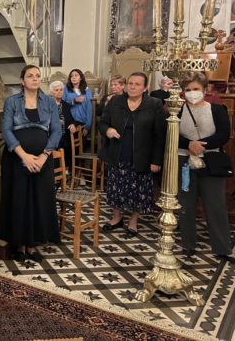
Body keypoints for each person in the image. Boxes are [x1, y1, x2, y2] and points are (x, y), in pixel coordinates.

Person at [0, 65, 61, 262]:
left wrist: (44, 156)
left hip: (43, 159)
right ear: (22, 80)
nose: (35, 79)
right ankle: (19, 245)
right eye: (30, 76)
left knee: (38, 199)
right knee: (19, 200)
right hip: (16, 159)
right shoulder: (11, 102)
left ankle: (33, 245)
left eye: (37, 76)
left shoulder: (49, 102)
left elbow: (57, 131)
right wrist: (23, 156)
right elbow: (6, 130)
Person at [98, 72, 166, 237]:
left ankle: (133, 221)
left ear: (145, 88)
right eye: (130, 83)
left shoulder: (154, 104)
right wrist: (108, 130)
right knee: (116, 188)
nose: (133, 87)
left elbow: (160, 135)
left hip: (143, 156)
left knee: (139, 191)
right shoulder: (115, 101)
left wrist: (156, 160)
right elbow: (103, 123)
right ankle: (116, 218)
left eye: (137, 84)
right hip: (118, 153)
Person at [177, 73, 235, 263]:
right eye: (188, 90)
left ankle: (222, 247)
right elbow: (172, 133)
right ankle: (188, 244)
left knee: (215, 204)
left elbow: (224, 134)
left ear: (204, 90)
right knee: (186, 204)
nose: (192, 93)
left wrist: (202, 145)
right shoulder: (178, 110)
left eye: (196, 89)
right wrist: (189, 144)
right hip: (185, 161)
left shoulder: (216, 110)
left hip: (211, 161)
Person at [49, 80, 76, 170]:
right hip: (51, 136)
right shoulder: (47, 105)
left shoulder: (66, 105)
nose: (59, 92)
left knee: (67, 145)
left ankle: (65, 171)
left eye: (61, 90)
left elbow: (71, 120)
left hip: (65, 136)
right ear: (52, 92)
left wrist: (72, 124)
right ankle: (55, 172)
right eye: (56, 90)